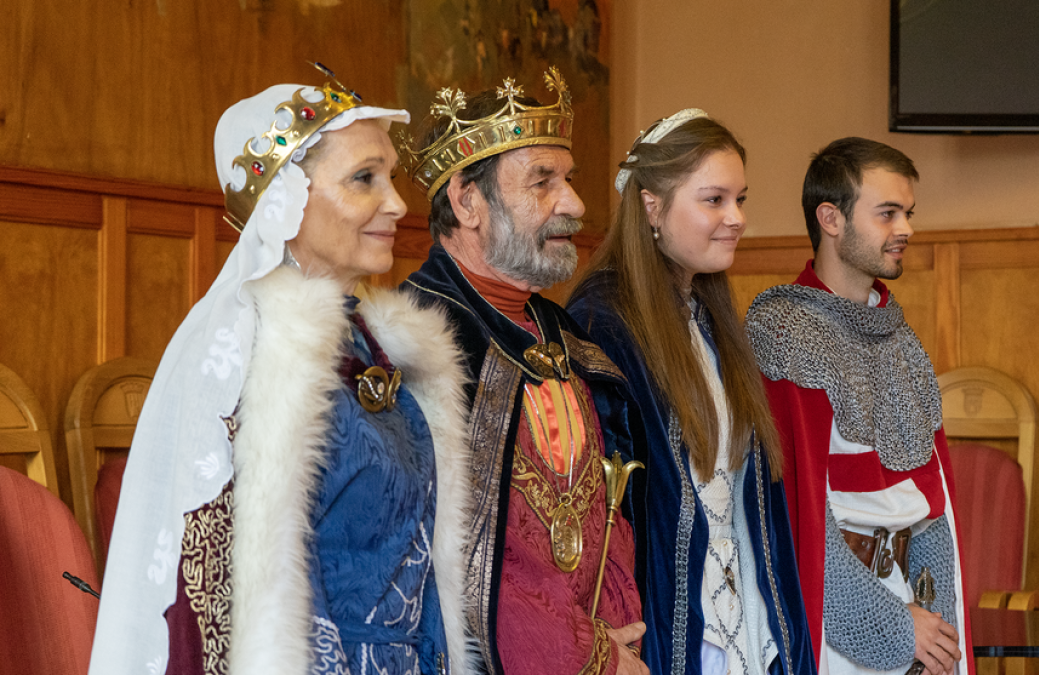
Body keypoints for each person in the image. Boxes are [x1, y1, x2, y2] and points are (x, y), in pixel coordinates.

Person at [89, 77, 475, 675]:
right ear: (284, 199)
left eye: (392, 176)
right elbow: (236, 600)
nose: (398, 203)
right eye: (364, 178)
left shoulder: (375, 344)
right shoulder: (247, 356)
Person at [396, 68, 645, 675]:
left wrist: (618, 631)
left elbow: (609, 510)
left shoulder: (567, 336)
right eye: (543, 182)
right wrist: (589, 656)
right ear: (467, 200)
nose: (576, 205)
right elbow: (455, 563)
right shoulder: (414, 345)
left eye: (569, 180)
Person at [567, 109, 818, 675]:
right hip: (670, 626)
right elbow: (599, 514)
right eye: (714, 200)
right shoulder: (601, 323)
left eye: (741, 199)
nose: (736, 218)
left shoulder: (709, 315)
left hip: (744, 611)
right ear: (652, 205)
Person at [744, 137, 972, 675]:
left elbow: (930, 501)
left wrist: (935, 624)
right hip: (832, 622)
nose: (907, 229)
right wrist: (892, 626)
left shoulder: (898, 338)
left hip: (913, 610)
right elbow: (794, 512)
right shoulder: (785, 335)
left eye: (909, 213)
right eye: (887, 213)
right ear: (831, 218)